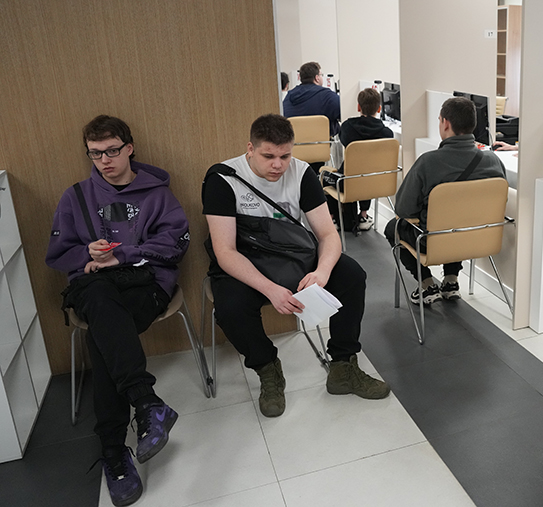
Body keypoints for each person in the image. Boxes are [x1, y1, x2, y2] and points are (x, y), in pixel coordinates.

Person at [202, 114, 390, 419]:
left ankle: (343, 367)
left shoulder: (301, 173)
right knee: (231, 306)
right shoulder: (223, 180)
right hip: (246, 261)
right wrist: (270, 289)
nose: (278, 165)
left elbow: (328, 235)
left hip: (291, 255)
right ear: (250, 149)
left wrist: (322, 273)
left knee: (351, 276)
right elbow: (226, 252)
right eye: (268, 156)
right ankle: (267, 368)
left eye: (285, 156)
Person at [46, 115, 189, 507]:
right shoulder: (75, 197)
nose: (104, 160)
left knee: (103, 331)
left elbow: (177, 243)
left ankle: (114, 450)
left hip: (145, 286)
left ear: (129, 148)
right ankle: (145, 402)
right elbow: (57, 254)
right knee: (99, 301)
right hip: (94, 287)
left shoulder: (158, 193)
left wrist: (123, 254)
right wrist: (87, 253)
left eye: (111, 151)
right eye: (95, 154)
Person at [384, 97, 506, 305]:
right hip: (478, 240)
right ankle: (451, 281)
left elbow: (403, 209)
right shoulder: (493, 161)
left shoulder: (428, 162)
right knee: (459, 219)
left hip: (434, 243)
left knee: (392, 228)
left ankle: (427, 284)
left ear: (445, 123)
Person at [322, 87, 395, 232]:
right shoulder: (387, 134)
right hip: (376, 182)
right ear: (379, 109)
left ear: (358, 107)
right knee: (367, 172)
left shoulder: (348, 127)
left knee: (324, 177)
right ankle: (363, 215)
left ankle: (332, 218)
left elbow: (344, 141)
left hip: (348, 182)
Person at [283, 61, 341, 137]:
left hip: (295, 142)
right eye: (321, 75)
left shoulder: (288, 97)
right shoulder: (327, 96)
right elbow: (343, 114)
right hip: (323, 143)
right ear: (317, 78)